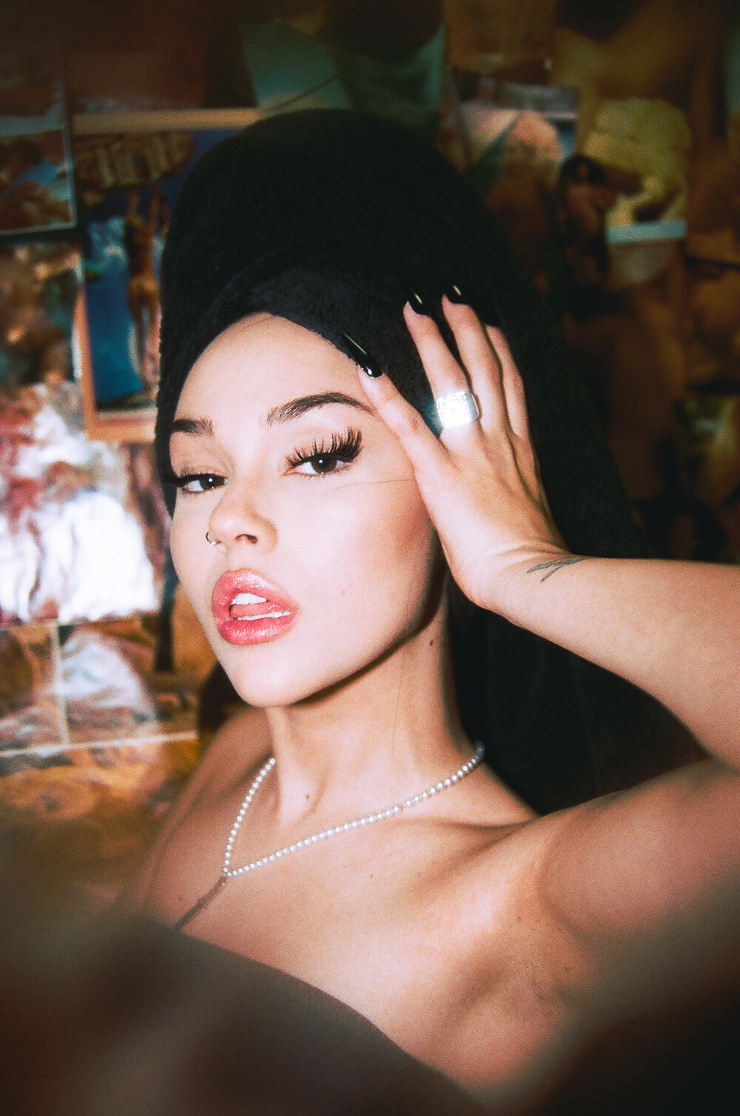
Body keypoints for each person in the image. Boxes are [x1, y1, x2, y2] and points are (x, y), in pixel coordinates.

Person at [127, 110, 739, 1113]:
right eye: (199, 473)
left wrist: (528, 570)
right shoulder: (237, 762)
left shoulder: (535, 907)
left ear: (459, 485)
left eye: (317, 456)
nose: (230, 519)